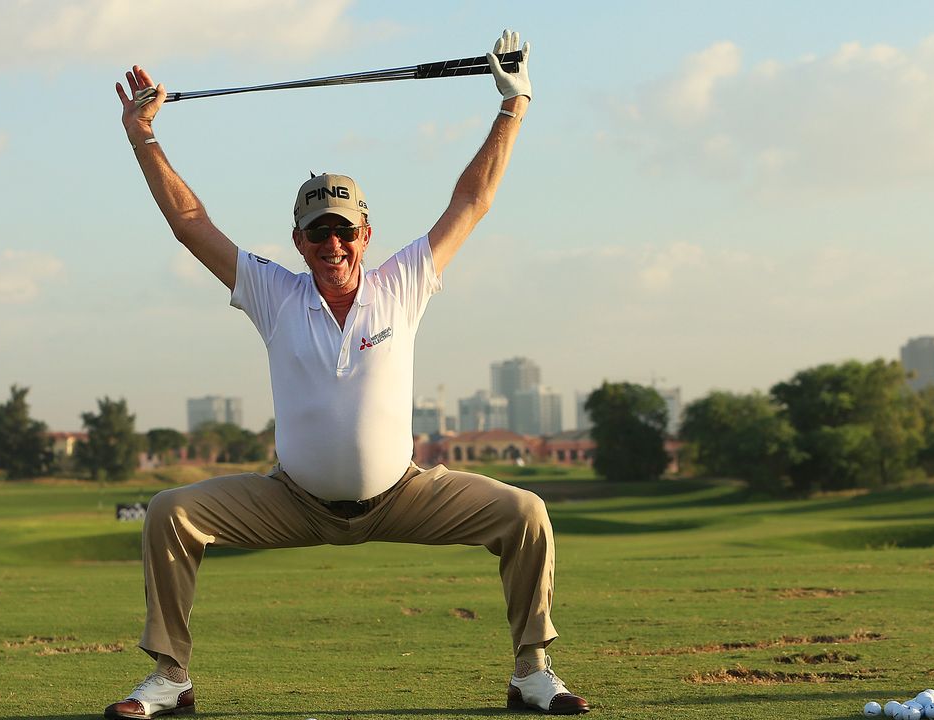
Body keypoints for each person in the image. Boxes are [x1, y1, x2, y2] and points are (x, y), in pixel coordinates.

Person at [107, 29, 589, 720]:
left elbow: (471, 203)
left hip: (403, 494)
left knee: (526, 514)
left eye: (343, 231)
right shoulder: (273, 292)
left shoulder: (404, 282)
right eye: (316, 233)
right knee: (169, 513)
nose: (331, 245)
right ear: (297, 239)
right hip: (291, 500)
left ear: (366, 232)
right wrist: (143, 137)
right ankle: (170, 678)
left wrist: (513, 106)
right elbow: (190, 223)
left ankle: (532, 671)